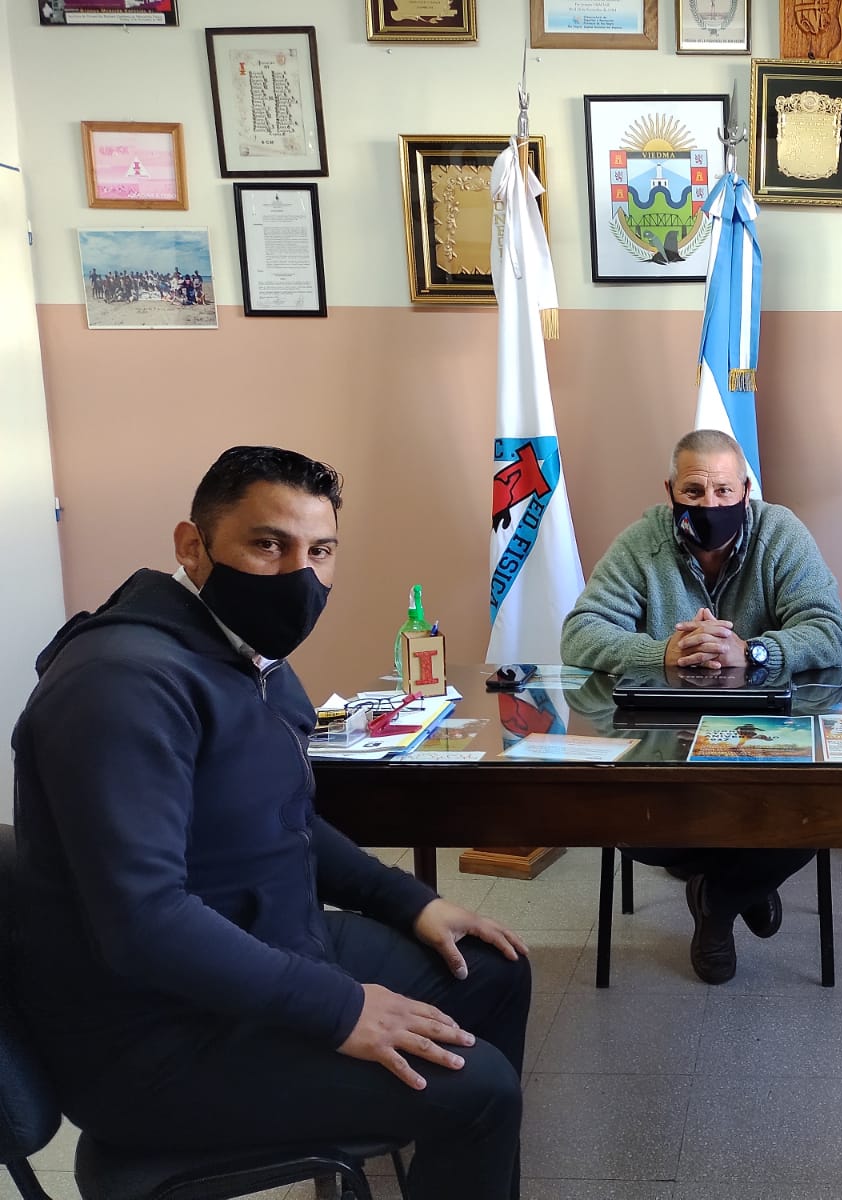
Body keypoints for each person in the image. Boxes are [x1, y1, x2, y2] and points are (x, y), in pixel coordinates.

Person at [11, 446, 532, 1200]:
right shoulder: (120, 687)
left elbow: (284, 819)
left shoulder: (244, 653)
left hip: (256, 947)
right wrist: (340, 1009)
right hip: (153, 1043)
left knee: (491, 968)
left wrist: (411, 901)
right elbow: (144, 924)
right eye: (267, 544)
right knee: (477, 1088)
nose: (300, 574)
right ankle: (459, 1128)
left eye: (320, 551)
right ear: (193, 547)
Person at [561, 428, 842, 984]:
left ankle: (718, 901)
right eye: (694, 492)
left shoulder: (780, 532)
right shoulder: (643, 540)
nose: (711, 505)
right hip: (664, 745)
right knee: (636, 822)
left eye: (724, 492)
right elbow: (579, 634)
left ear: (746, 489)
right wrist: (662, 651)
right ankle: (748, 882)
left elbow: (830, 633)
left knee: (821, 812)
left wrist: (754, 650)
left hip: (769, 740)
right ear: (670, 490)